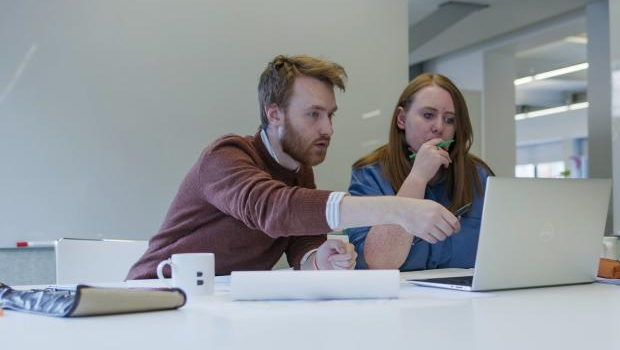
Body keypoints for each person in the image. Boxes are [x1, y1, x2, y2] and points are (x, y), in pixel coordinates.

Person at [127, 56, 461, 278]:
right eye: (313, 114)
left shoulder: (300, 169)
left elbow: (299, 243)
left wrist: (320, 258)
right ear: (274, 114)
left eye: (330, 115)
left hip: (219, 303)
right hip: (154, 298)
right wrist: (398, 210)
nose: (328, 129)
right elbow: (273, 210)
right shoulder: (225, 156)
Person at [348, 73, 494, 271]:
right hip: (399, 298)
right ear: (401, 119)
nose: (439, 127)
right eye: (428, 115)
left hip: (467, 298)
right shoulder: (370, 174)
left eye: (450, 119)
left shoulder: (479, 175)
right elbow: (379, 263)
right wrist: (418, 177)